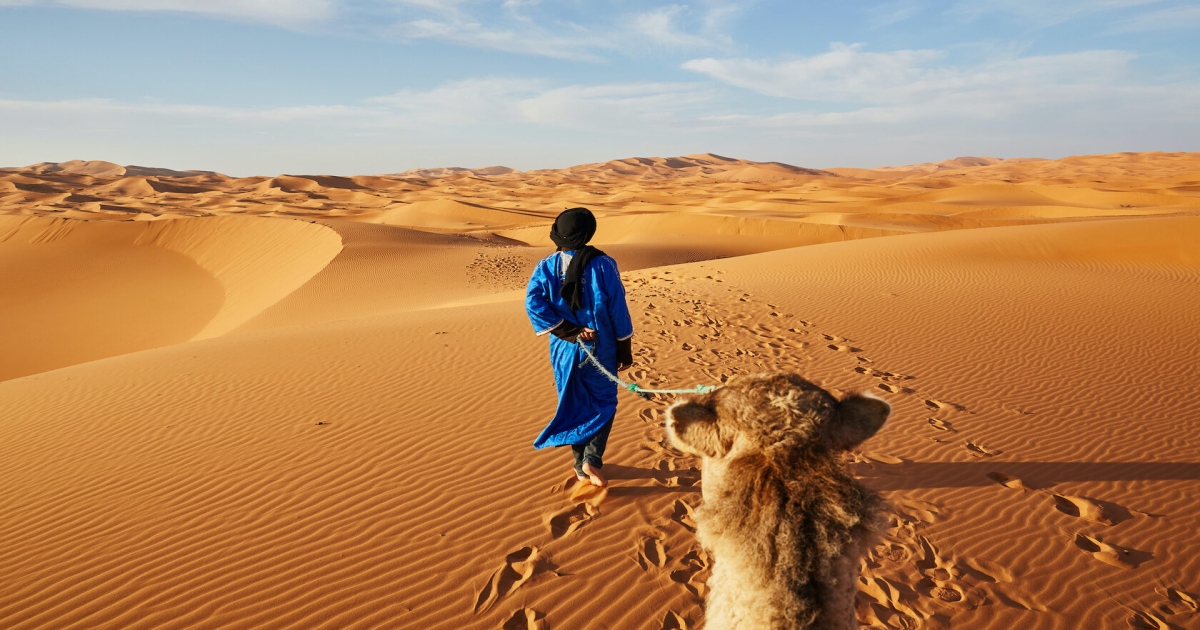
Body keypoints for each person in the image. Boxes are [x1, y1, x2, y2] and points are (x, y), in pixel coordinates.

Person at [525, 207, 634, 487]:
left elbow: (533, 304)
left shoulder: (546, 266)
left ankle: (579, 466)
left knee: (574, 402)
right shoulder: (603, 264)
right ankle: (592, 459)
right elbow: (617, 308)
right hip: (601, 346)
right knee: (604, 403)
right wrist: (624, 348)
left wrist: (568, 331)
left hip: (564, 349)